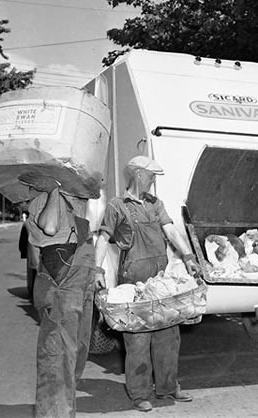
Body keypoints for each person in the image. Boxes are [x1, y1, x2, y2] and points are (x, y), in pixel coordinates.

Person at [94, 155, 199, 413]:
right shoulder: (117, 205)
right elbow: (103, 238)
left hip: (161, 281)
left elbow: (171, 231)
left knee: (168, 336)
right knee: (138, 340)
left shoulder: (155, 204)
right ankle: (140, 393)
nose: (153, 181)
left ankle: (167, 387)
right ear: (139, 174)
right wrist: (97, 269)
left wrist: (188, 256)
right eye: (151, 176)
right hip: (133, 280)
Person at [24, 178, 96, 417]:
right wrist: (53, 189)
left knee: (77, 350)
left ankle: (65, 410)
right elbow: (51, 228)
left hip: (79, 276)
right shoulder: (42, 199)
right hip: (60, 282)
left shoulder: (73, 196)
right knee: (57, 356)